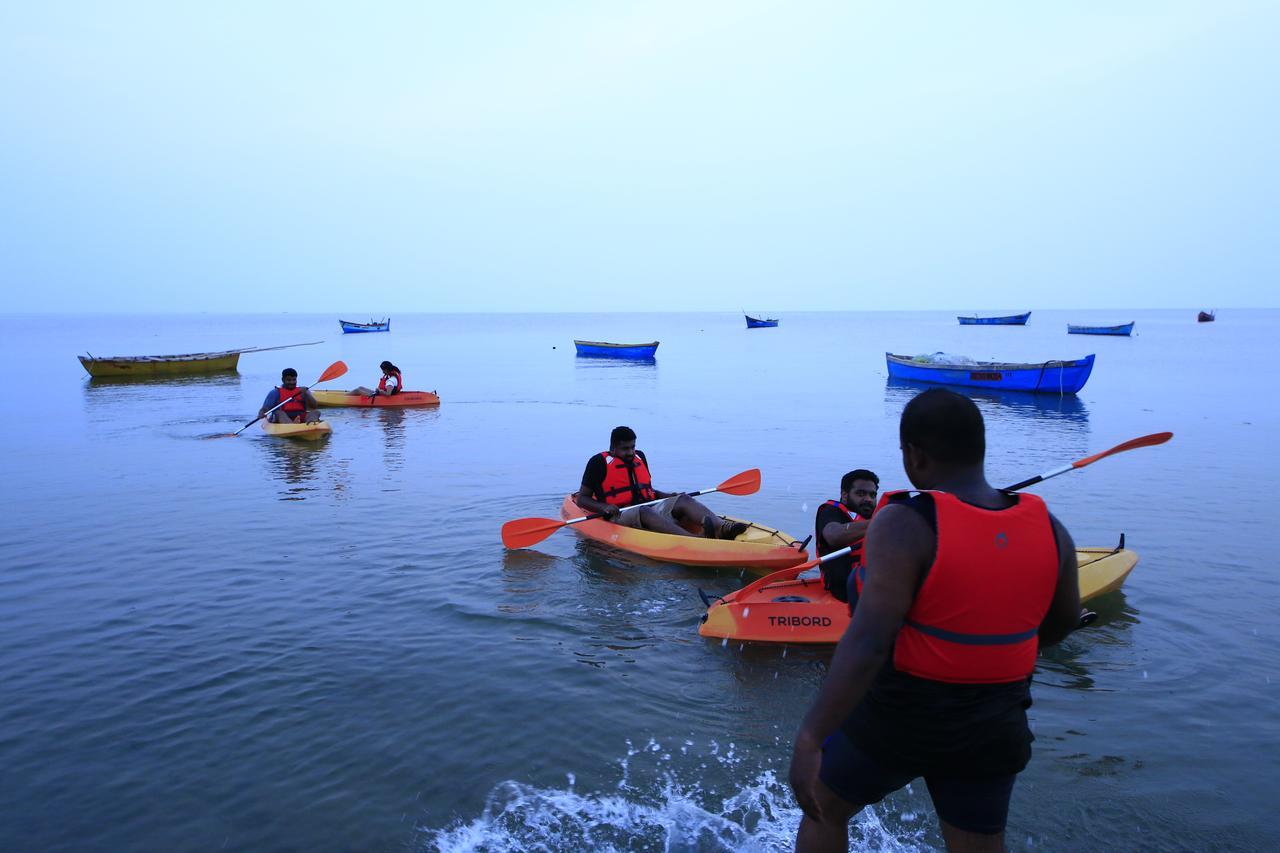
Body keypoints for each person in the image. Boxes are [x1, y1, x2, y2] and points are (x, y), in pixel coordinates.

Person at [789, 389, 1081, 853]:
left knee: (821, 806)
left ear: (914, 456)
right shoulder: (1052, 529)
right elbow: (1063, 623)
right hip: (995, 722)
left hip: (901, 715)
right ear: (980, 449)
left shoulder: (903, 523)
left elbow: (868, 642)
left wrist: (810, 735)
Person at [575, 426, 750, 539]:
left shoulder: (640, 457)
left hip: (648, 508)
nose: (630, 452)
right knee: (643, 510)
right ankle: (694, 540)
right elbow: (582, 498)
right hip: (619, 515)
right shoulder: (598, 462)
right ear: (613, 448)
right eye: (625, 448)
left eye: (633, 447)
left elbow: (647, 490)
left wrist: (667, 496)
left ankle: (722, 528)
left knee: (683, 499)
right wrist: (604, 508)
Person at [814, 469, 878, 607]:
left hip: (876, 589)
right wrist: (882, 521)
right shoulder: (831, 512)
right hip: (845, 594)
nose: (868, 499)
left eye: (873, 495)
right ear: (844, 495)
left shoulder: (878, 515)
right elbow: (834, 536)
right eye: (861, 493)